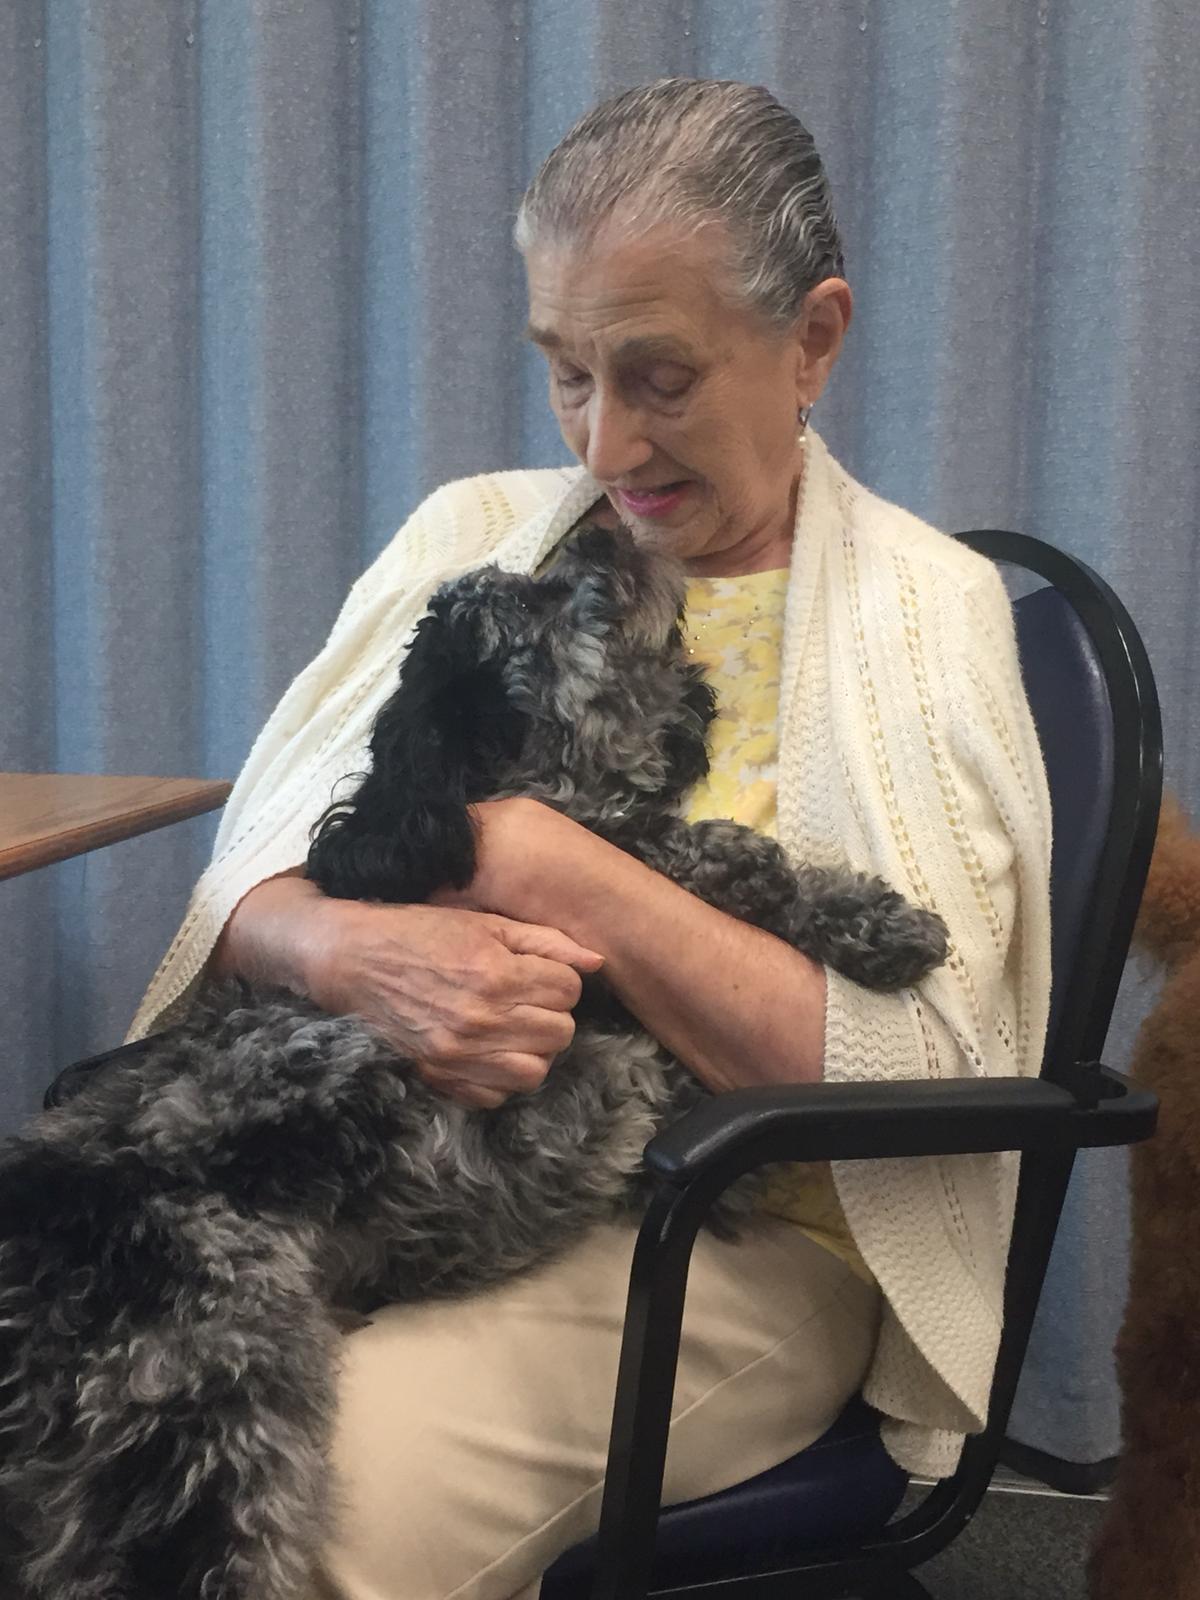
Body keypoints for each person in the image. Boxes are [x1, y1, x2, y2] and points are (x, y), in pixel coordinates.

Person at [129, 79, 1052, 1600]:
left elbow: (932, 1080)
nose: (605, 442)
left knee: (262, 1524)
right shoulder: (465, 535)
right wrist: (346, 945)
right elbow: (243, 886)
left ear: (813, 338)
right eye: (565, 373)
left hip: (726, 1238)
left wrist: (554, 871)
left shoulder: (923, 615)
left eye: (661, 376)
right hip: (354, 1175)